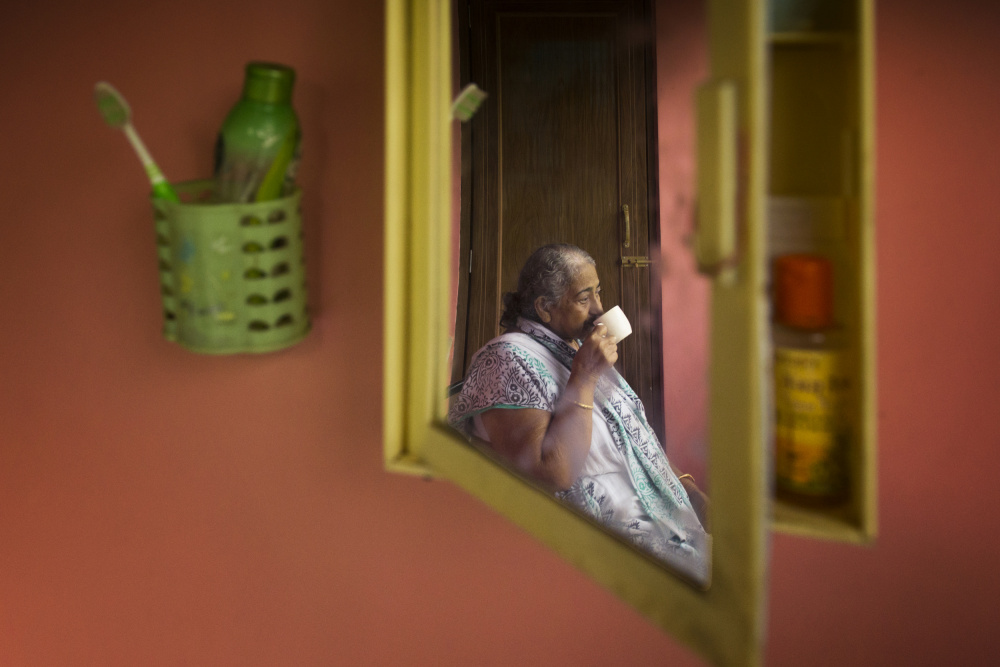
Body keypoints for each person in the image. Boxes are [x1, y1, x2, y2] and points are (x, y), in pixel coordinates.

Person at [448, 243, 709, 579]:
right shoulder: (506, 358)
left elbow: (630, 437)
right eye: (584, 298)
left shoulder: (571, 349)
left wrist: (690, 492)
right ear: (544, 307)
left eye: (598, 293)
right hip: (605, 554)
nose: (599, 309)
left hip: (671, 528)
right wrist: (584, 376)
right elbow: (550, 472)